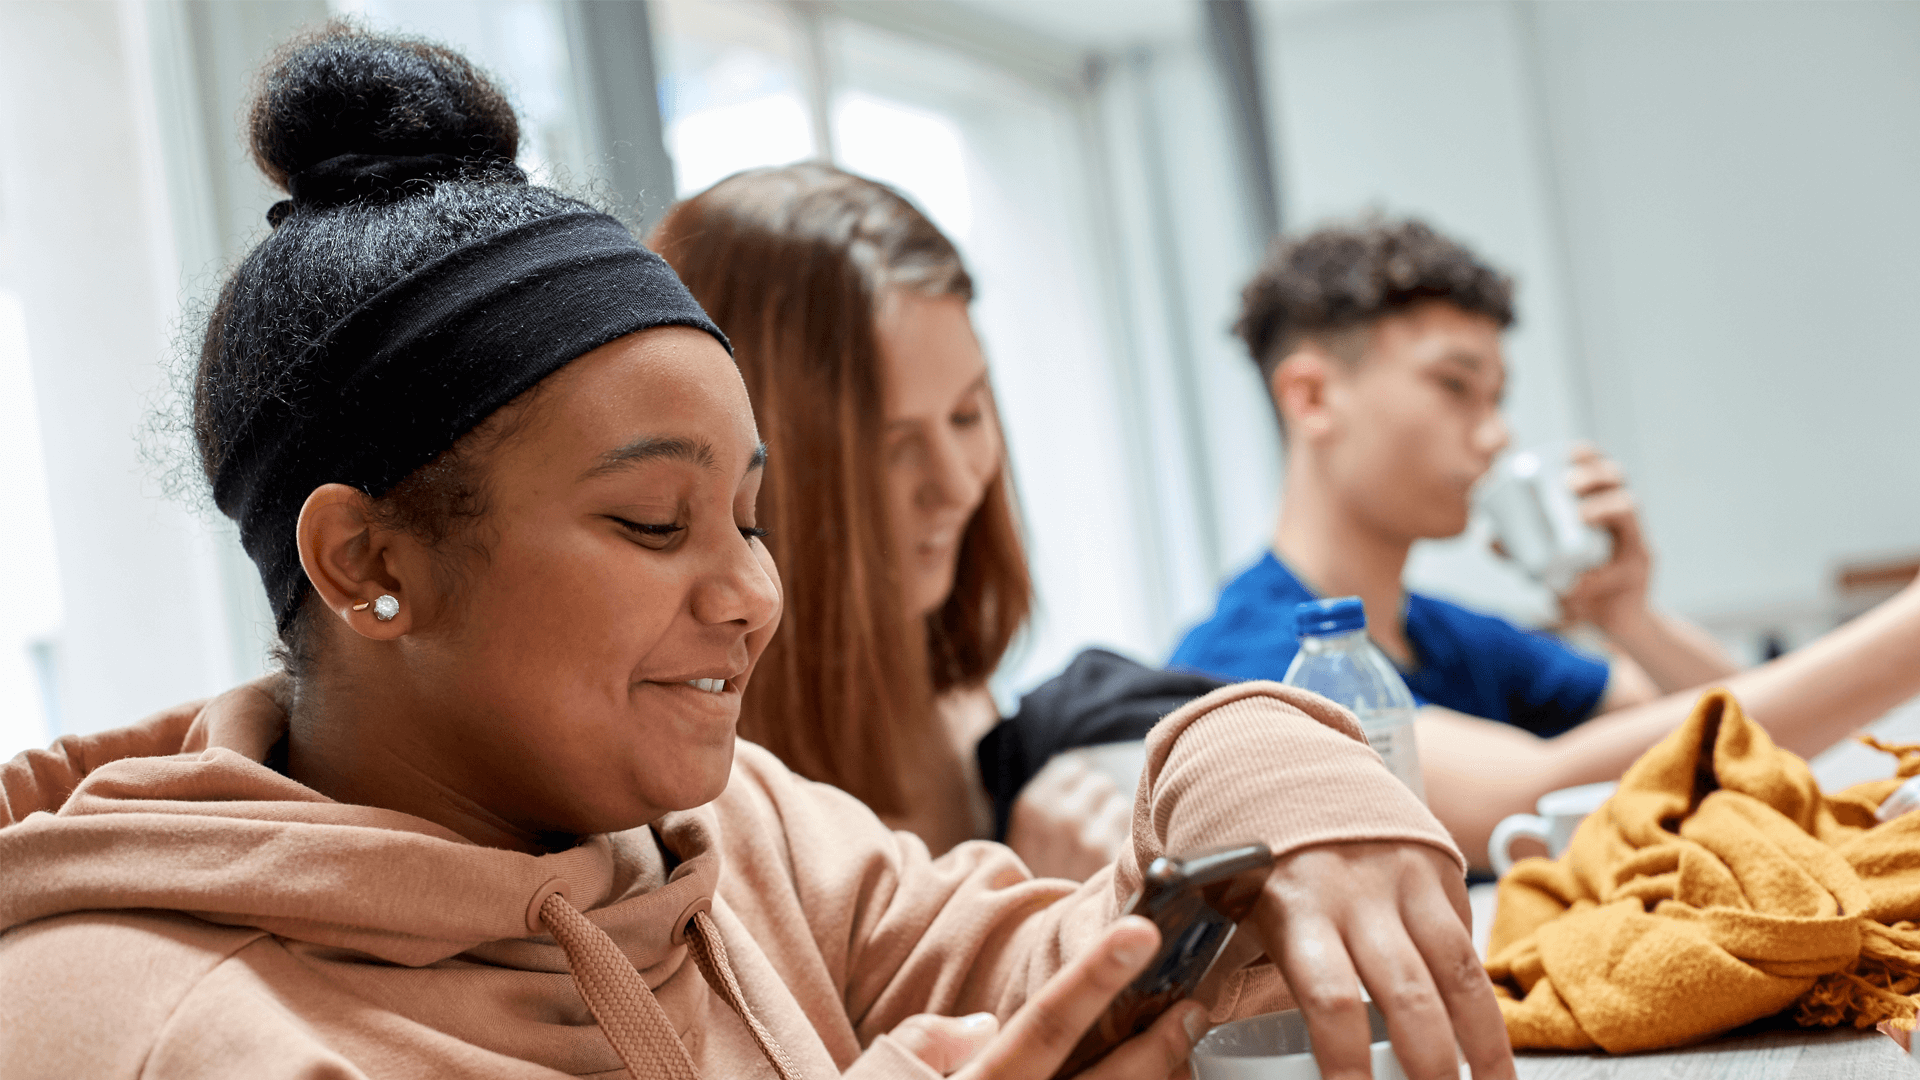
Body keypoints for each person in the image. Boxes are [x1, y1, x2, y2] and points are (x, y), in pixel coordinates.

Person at [0, 28, 1516, 1080]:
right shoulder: (129, 1019)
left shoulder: (749, 839)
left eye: (750, 515)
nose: (752, 593)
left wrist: (1274, 775)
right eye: (653, 523)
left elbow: (1103, 965)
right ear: (363, 562)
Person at [1171, 218, 1920, 865]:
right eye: (1454, 386)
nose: (1496, 435)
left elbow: (1742, 737)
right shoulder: (1243, 666)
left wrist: (1629, 618)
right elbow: (1527, 796)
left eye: (1498, 398)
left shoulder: (1447, 633)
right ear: (1311, 397)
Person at [651, 166, 1216, 880]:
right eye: (891, 447)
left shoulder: (968, 703)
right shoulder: (697, 794)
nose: (956, 484)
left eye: (967, 415)